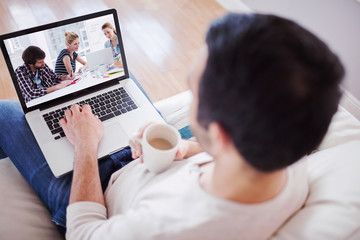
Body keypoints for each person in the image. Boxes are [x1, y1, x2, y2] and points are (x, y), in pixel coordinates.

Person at [0, 13, 344, 239]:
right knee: (117, 80)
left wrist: (86, 148)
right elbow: (216, 155)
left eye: (194, 90)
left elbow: (83, 232)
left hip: (95, 189)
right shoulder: (292, 154)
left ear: (221, 135)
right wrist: (186, 147)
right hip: (151, 159)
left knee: (4, 112)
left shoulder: (169, 227)